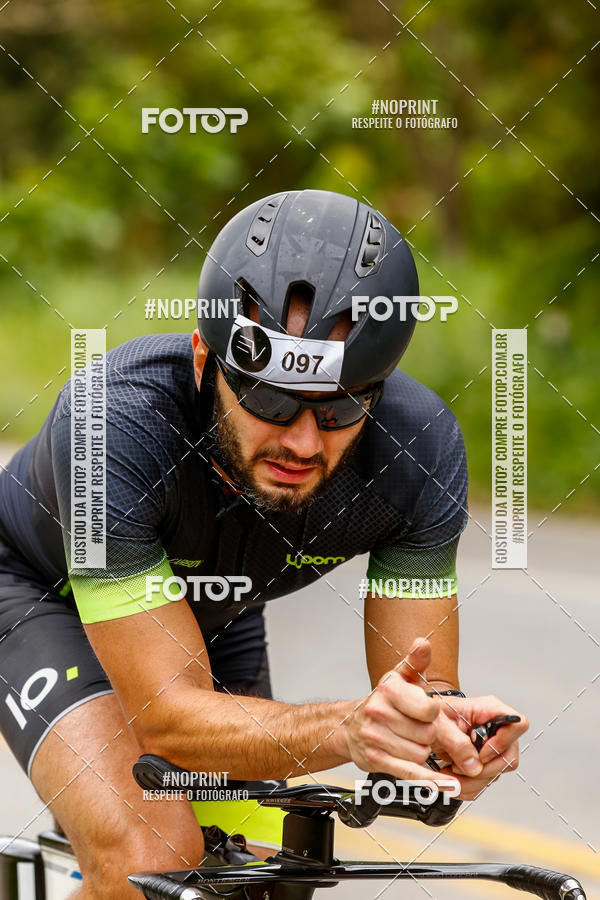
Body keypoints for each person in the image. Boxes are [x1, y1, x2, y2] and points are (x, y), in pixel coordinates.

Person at [0, 189, 528, 899]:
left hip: (211, 612)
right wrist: (347, 729)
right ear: (201, 361)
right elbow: (165, 717)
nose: (302, 441)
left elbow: (416, 687)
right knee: (152, 855)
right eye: (271, 399)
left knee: (263, 881)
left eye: (339, 406)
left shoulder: (419, 449)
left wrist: (446, 734)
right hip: (36, 591)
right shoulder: (113, 425)